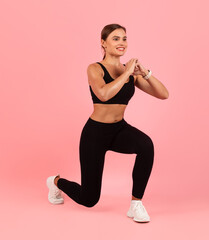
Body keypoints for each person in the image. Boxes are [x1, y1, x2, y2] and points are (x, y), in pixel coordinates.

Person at [46, 23, 169, 223]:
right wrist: (127, 72)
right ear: (103, 43)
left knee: (146, 145)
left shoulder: (129, 71)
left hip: (119, 129)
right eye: (116, 38)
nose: (122, 42)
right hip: (95, 133)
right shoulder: (95, 68)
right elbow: (102, 94)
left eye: (124, 38)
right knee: (89, 198)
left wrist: (144, 72)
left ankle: (136, 204)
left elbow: (164, 94)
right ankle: (55, 182)